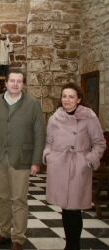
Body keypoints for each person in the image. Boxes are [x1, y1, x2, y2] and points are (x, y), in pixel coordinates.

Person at [0, 70, 45, 250]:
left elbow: (40, 135)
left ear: (23, 84)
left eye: (19, 81)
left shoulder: (32, 105)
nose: (15, 84)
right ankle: (4, 233)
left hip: (22, 159)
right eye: (12, 81)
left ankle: (18, 238)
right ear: (5, 83)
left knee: (19, 199)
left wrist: (36, 161)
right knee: (3, 198)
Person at [43, 83, 106, 250]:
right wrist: (48, 156)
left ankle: (73, 246)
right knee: (66, 209)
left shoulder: (89, 117)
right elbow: (48, 142)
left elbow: (99, 143)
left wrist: (89, 160)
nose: (67, 100)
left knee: (74, 210)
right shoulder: (54, 118)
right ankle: (69, 245)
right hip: (59, 167)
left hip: (79, 168)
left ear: (78, 99)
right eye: (64, 96)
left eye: (71, 96)